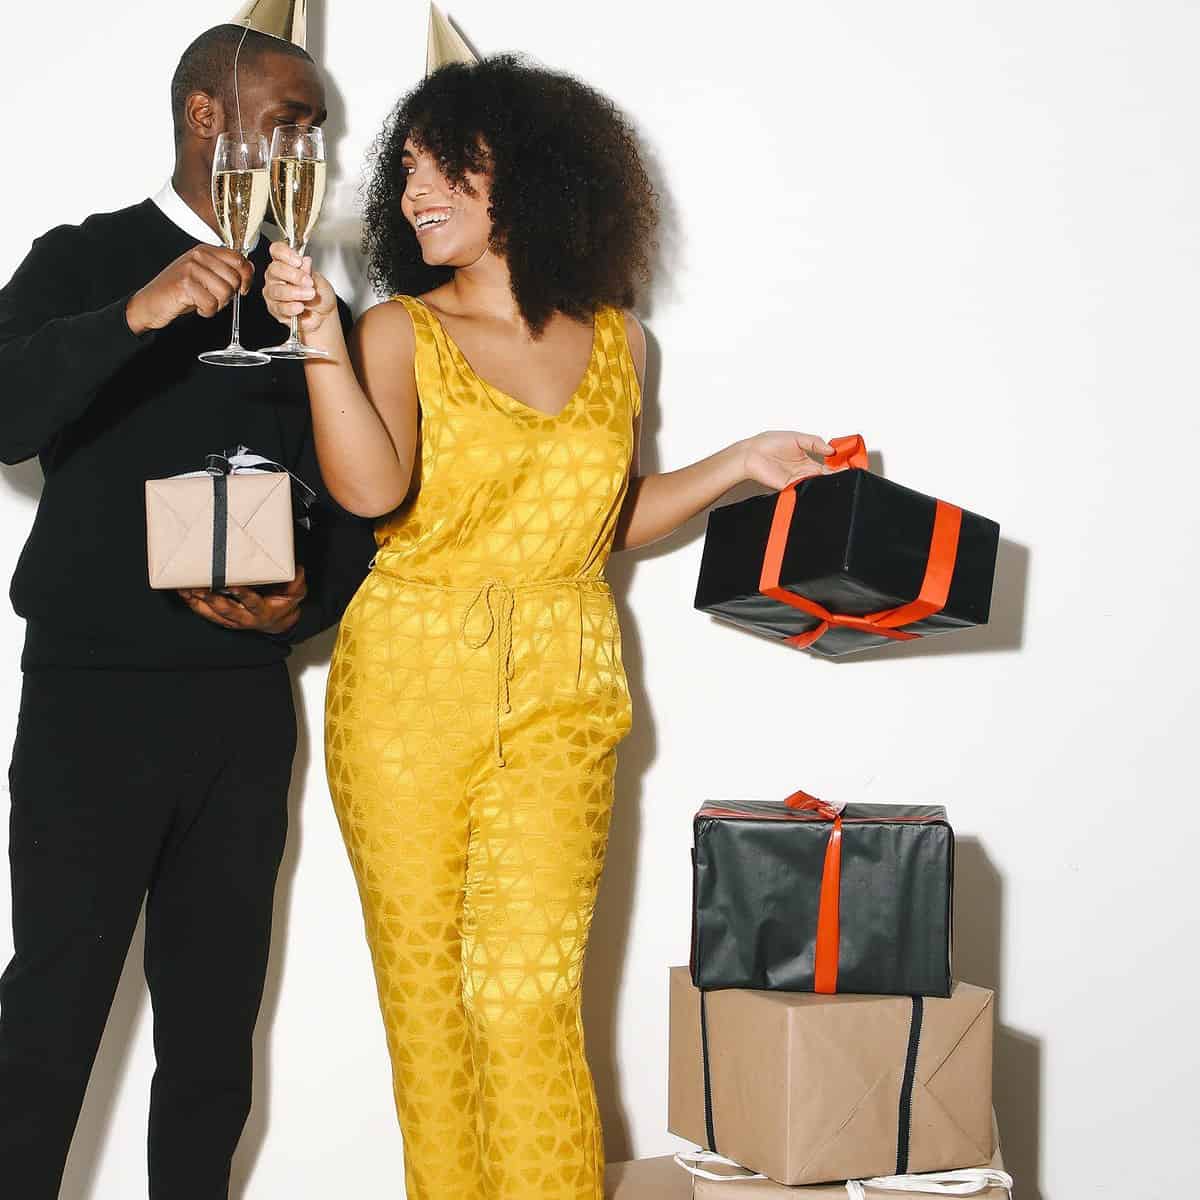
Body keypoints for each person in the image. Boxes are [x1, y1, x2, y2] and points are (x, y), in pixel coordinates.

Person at [265, 55, 833, 1200]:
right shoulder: (396, 330)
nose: (417, 191)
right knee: (429, 1004)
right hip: (406, 684)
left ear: (528, 172)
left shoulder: (619, 339)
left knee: (525, 991)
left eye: (448, 165)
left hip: (567, 684)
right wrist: (321, 339)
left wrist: (738, 464)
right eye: (407, 169)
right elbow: (373, 494)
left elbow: (601, 519)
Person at [0, 21, 374, 1199]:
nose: (309, 146)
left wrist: (305, 602)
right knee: (50, 1012)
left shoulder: (310, 299)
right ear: (208, 115)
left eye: (317, 128)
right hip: (90, 700)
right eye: (290, 120)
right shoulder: (85, 258)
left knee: (215, 1034)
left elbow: (357, 506)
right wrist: (136, 313)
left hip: (243, 711)